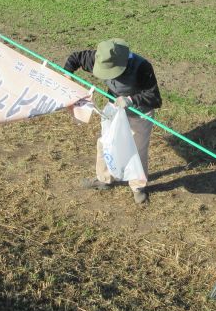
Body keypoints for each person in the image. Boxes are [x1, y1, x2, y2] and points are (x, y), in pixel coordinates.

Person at [64, 38, 161, 205]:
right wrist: (67, 74)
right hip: (114, 107)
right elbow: (75, 58)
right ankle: (104, 178)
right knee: (105, 143)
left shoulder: (142, 67)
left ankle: (138, 186)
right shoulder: (100, 57)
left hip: (139, 113)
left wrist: (131, 100)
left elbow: (155, 98)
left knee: (137, 150)